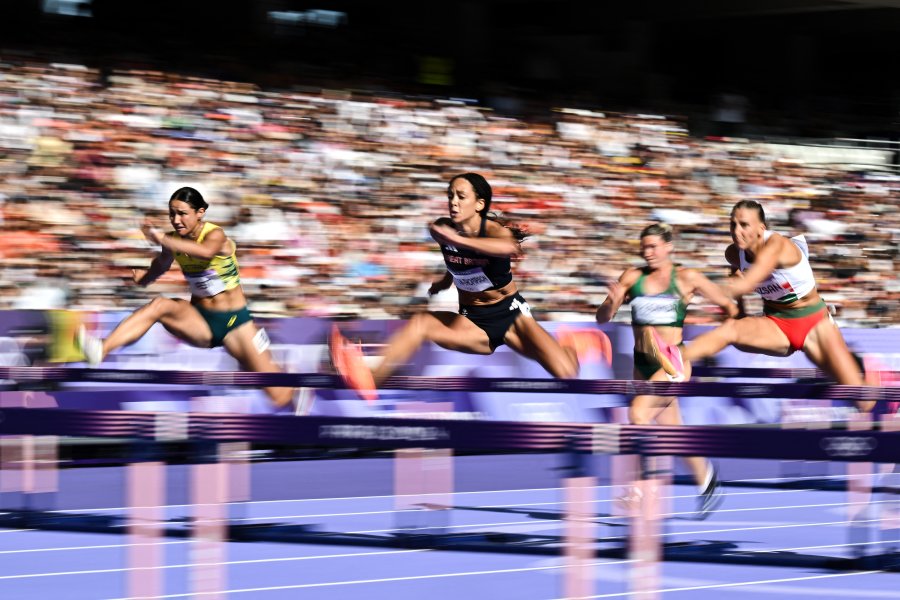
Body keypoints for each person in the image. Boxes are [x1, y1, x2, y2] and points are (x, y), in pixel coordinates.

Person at [329, 172, 580, 401]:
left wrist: (460, 239)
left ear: (480, 204)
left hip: (511, 315)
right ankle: (371, 382)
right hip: (473, 320)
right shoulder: (443, 230)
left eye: (461, 196)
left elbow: (508, 249)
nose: (453, 202)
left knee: (566, 373)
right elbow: (459, 261)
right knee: (420, 322)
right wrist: (444, 280)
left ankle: (573, 345)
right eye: (450, 196)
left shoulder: (494, 233)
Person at [75, 187, 300, 411]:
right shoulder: (174, 241)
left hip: (235, 324)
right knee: (159, 305)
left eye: (182, 213)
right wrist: (145, 278)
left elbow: (204, 253)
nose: (176, 220)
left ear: (200, 212)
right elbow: (162, 264)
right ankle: (102, 349)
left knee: (277, 394)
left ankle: (301, 407)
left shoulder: (216, 235)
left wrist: (161, 237)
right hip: (201, 321)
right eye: (172, 214)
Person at [653, 199, 874, 413]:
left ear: (761, 228)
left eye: (744, 225)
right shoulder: (733, 254)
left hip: (815, 325)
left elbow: (749, 282)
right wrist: (739, 311)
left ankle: (870, 366)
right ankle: (675, 358)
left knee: (862, 402)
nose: (736, 231)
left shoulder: (777, 245)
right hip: (777, 324)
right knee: (731, 330)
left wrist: (703, 286)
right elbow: (739, 290)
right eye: (733, 224)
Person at [596, 222, 738, 518]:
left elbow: (731, 307)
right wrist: (610, 302)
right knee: (674, 431)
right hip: (642, 364)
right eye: (643, 247)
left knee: (638, 414)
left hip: (672, 361)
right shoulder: (632, 276)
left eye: (653, 246)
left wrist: (714, 343)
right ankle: (707, 478)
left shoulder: (687, 277)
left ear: (669, 246)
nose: (647, 252)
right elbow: (602, 318)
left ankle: (641, 488)